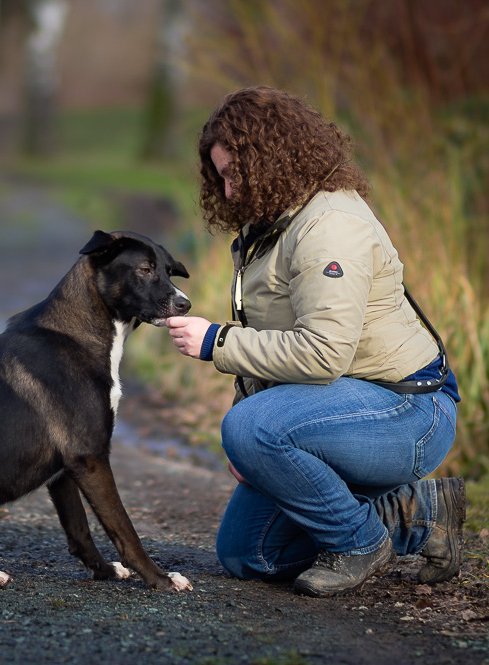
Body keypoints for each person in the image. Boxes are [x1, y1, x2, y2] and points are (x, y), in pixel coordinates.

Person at [166, 86, 464, 597]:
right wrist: (255, 445)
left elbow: (323, 353)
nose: (229, 191)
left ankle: (360, 542)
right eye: (220, 178)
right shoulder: (275, 224)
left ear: (270, 159)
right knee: (248, 554)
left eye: (234, 174)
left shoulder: (329, 227)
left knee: (251, 426)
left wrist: (218, 342)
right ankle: (421, 513)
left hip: (405, 410)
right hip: (339, 410)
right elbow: (277, 343)